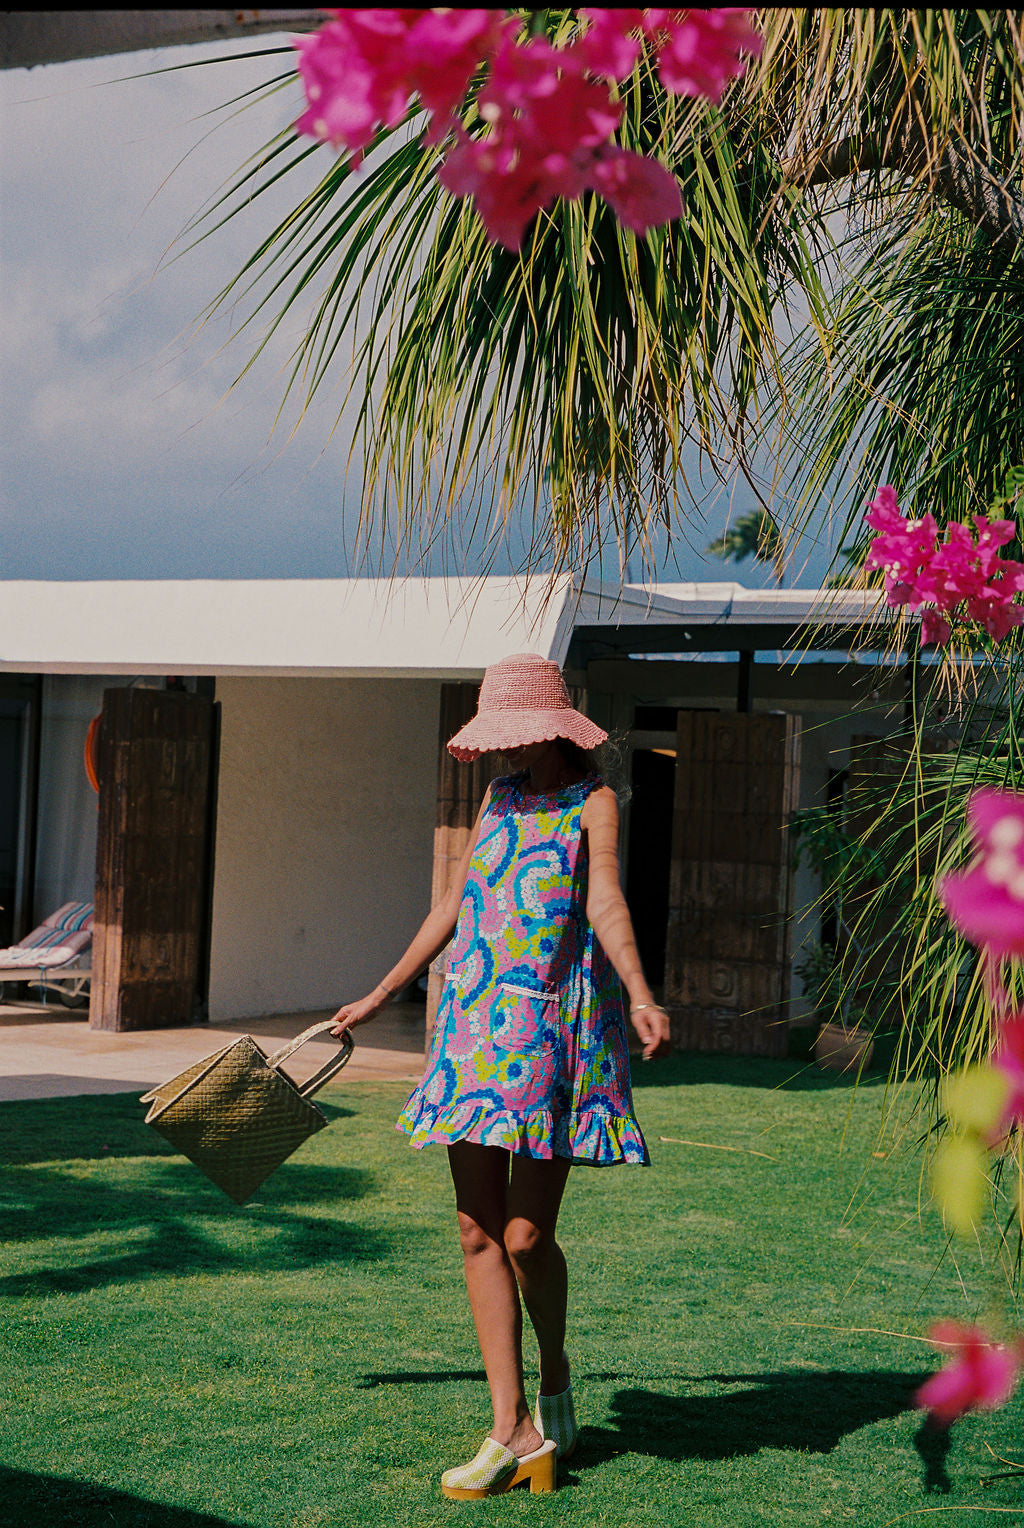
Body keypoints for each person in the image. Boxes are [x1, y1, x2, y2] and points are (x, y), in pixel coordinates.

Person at [330, 652, 671, 1500]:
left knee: (526, 1237)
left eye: (513, 737)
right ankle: (510, 1428)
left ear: (552, 730)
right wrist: (380, 992)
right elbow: (451, 907)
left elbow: (605, 903)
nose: (501, 752)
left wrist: (639, 991)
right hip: (472, 1034)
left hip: (551, 1038)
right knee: (477, 1232)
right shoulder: (496, 799)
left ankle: (554, 1380)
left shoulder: (592, 802)